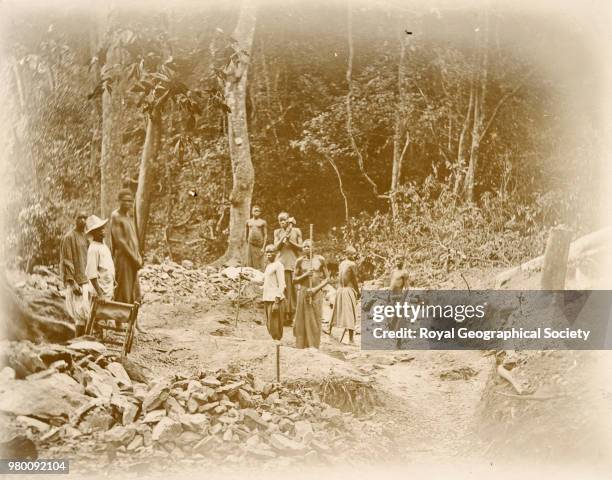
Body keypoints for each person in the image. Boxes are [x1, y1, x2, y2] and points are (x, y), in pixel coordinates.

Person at [293, 240, 329, 349]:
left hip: (316, 293)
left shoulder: (320, 260)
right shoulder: (299, 261)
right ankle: (301, 345)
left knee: (315, 319)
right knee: (302, 318)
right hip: (304, 292)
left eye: (308, 246)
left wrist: (315, 289)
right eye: (304, 247)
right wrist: (305, 274)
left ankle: (313, 345)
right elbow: (294, 280)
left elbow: (327, 279)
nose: (306, 249)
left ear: (314, 247)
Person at [59, 211, 90, 337]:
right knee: (79, 316)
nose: (83, 220)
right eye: (80, 218)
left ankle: (87, 344)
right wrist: (72, 283)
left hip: (87, 280)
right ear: (74, 220)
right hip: (77, 282)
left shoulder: (87, 236)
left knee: (88, 314)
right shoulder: (69, 237)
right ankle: (78, 344)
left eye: (85, 218)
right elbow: (67, 261)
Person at [110, 189, 142, 304]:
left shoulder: (128, 216)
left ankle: (131, 320)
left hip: (132, 258)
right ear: (119, 201)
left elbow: (133, 239)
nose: (128, 203)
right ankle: (120, 319)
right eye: (125, 201)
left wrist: (138, 256)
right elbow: (120, 241)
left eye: (130, 201)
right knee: (123, 290)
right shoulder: (115, 216)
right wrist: (134, 258)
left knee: (134, 290)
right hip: (123, 259)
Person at [273, 212, 302, 323]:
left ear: (288, 220)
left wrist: (290, 240)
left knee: (293, 291)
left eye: (284, 220)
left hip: (294, 264)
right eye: (280, 220)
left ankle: (292, 315)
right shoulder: (277, 232)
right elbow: (276, 247)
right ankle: (284, 315)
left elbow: (301, 248)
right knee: (284, 290)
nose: (282, 222)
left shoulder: (296, 231)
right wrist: (284, 236)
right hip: (281, 264)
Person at [329, 246, 360, 345]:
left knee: (337, 310)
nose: (354, 256)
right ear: (348, 254)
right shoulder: (352, 264)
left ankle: (329, 329)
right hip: (346, 290)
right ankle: (351, 339)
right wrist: (358, 291)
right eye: (352, 254)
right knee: (350, 313)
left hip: (341, 289)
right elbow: (354, 279)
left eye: (354, 254)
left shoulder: (342, 263)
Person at [85, 215, 115, 301]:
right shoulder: (93, 249)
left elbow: (107, 267)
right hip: (100, 292)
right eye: (99, 230)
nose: (102, 231)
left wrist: (113, 280)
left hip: (107, 288)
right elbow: (91, 275)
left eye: (103, 228)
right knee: (99, 313)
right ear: (93, 233)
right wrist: (100, 294)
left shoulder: (103, 246)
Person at [262, 244, 286, 341]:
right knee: (269, 326)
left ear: (276, 253)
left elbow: (282, 284)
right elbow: (262, 281)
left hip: (275, 300)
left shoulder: (279, 265)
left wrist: (277, 302)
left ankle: (277, 347)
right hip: (267, 298)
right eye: (267, 252)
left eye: (271, 251)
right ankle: (274, 345)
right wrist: (247, 277)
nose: (268, 254)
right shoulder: (268, 266)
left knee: (275, 327)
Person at [245, 205, 267, 271]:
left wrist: (263, 247)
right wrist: (247, 242)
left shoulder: (263, 222)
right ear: (252, 212)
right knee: (250, 262)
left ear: (260, 212)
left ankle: (260, 275)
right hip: (250, 243)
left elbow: (265, 234)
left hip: (259, 243)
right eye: (255, 210)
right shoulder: (248, 221)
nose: (256, 212)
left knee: (259, 261)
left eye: (258, 211)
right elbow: (246, 233)